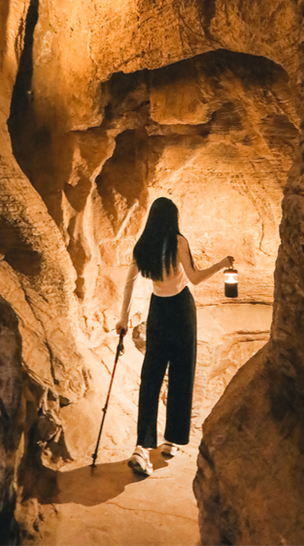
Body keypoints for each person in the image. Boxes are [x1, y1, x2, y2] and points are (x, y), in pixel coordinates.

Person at [116, 197, 233, 476]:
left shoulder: (143, 246)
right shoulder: (179, 242)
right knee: (182, 373)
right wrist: (221, 264)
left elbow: (129, 283)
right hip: (181, 310)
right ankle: (171, 441)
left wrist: (122, 318)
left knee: (151, 376)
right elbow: (194, 278)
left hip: (157, 311)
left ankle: (142, 448)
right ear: (172, 218)